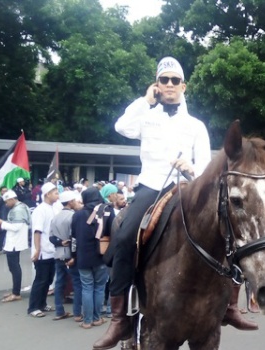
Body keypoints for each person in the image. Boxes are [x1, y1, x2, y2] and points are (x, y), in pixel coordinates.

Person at [93, 56, 218, 350]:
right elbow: (121, 126)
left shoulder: (196, 125)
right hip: (151, 187)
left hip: (186, 188)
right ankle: (120, 319)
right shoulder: (146, 116)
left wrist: (191, 168)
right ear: (157, 84)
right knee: (124, 236)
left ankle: (229, 307)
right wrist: (144, 100)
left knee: (228, 227)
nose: (170, 85)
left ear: (183, 86)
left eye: (175, 80)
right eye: (164, 80)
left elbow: (207, 168)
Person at [73, 188, 109, 329]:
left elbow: (73, 237)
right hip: (102, 256)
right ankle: (97, 318)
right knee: (99, 288)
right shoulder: (107, 211)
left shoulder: (78, 215)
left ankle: (87, 321)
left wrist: (73, 255)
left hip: (83, 257)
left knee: (87, 287)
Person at [49, 190, 83, 321]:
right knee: (77, 283)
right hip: (70, 254)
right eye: (74, 200)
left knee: (59, 283)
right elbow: (74, 238)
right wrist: (74, 255)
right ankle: (77, 313)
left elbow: (51, 237)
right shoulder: (73, 216)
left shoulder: (56, 217)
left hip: (58, 254)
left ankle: (59, 311)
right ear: (70, 202)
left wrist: (59, 242)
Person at [27, 182, 59, 317]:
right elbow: (37, 231)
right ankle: (33, 307)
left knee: (48, 279)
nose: (58, 195)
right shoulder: (40, 210)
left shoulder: (53, 208)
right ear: (47, 194)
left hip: (52, 251)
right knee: (40, 279)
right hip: (42, 251)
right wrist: (37, 249)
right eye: (56, 193)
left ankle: (42, 304)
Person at [0, 190, 30, 303]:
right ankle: (15, 290)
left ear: (12, 199)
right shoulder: (20, 207)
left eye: (6, 202)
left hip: (15, 242)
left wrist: (2, 224)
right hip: (15, 241)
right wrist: (3, 223)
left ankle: (16, 293)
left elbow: (16, 227)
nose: (6, 204)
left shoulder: (18, 209)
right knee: (13, 267)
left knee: (14, 268)